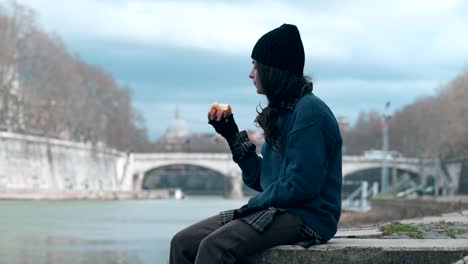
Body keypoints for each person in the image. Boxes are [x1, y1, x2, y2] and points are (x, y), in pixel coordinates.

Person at [169, 23, 342, 264]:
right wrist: (231, 134)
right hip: (280, 210)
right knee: (182, 242)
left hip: (308, 217)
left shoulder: (309, 112)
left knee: (215, 247)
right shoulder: (281, 112)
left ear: (274, 70)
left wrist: (254, 205)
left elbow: (303, 185)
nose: (251, 73)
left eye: (255, 65)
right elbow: (262, 179)